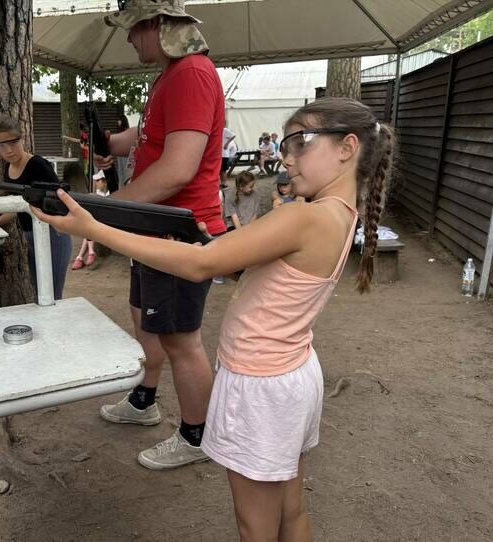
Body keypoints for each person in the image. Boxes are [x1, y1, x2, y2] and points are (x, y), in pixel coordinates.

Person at [32, 96, 394, 541]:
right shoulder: (340, 215)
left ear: (347, 147)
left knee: (254, 526)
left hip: (261, 383)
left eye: (301, 142)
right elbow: (257, 270)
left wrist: (93, 229)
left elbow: (200, 265)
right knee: (291, 510)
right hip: (290, 376)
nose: (287, 156)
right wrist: (209, 246)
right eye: (286, 145)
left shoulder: (304, 217)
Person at [93, 0, 227, 469]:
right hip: (155, 227)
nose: (129, 38)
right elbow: (152, 136)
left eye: (133, 29)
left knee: (179, 338)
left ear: (156, 24)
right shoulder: (170, 75)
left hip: (178, 232)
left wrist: (110, 206)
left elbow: (177, 169)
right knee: (145, 318)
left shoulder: (191, 74)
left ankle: (197, 436)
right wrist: (112, 144)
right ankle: (144, 400)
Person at [0, 115, 72, 300]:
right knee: (39, 293)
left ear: (22, 138)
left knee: (52, 295)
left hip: (53, 234)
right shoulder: (7, 169)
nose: (8, 150)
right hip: (31, 236)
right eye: (0, 146)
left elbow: (61, 201)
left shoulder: (38, 165)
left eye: (13, 142)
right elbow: (18, 206)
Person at [71, 171, 110, 270]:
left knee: (89, 228)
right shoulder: (96, 194)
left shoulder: (109, 195)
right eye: (96, 180)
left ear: (105, 182)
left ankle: (82, 256)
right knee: (88, 229)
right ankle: (86, 254)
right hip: (96, 222)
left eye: (98, 180)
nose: (96, 183)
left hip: (105, 222)